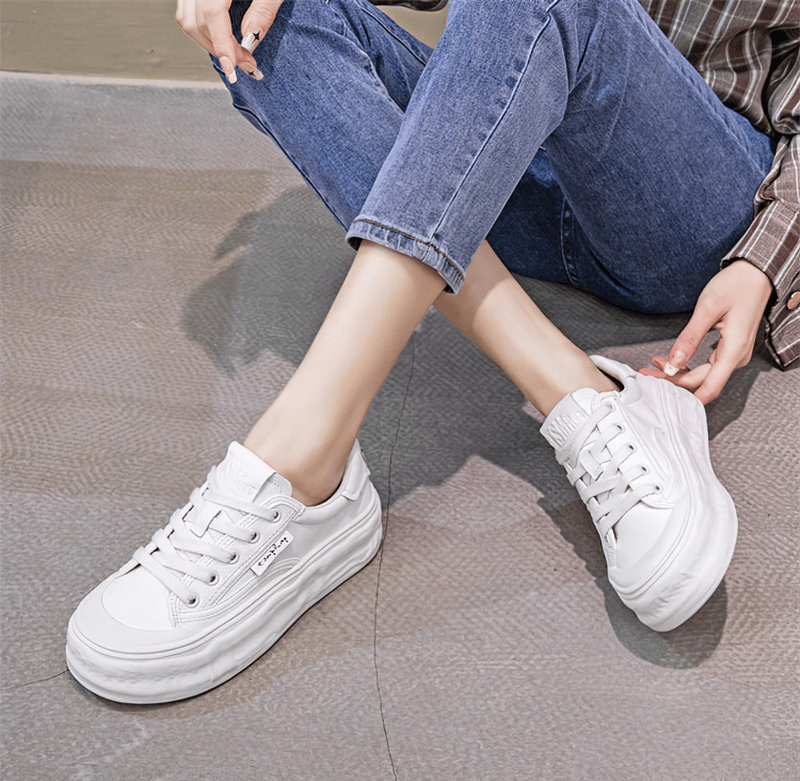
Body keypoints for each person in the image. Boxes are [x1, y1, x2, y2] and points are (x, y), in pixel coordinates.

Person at [65, 0, 799, 704]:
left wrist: (766, 258)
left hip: (682, 202)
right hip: (505, 156)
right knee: (264, 15)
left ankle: (298, 461)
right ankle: (578, 389)